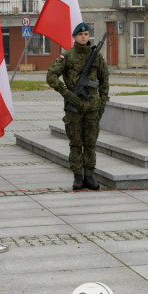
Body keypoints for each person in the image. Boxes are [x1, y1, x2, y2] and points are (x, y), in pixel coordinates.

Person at [46, 22, 109, 190]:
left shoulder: (96, 57)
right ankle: (78, 177)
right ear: (74, 37)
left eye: (86, 34)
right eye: (80, 34)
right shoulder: (68, 56)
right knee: (75, 143)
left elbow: (104, 80)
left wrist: (103, 101)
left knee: (90, 144)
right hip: (74, 108)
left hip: (92, 108)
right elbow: (51, 76)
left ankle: (90, 176)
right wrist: (67, 94)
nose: (84, 36)